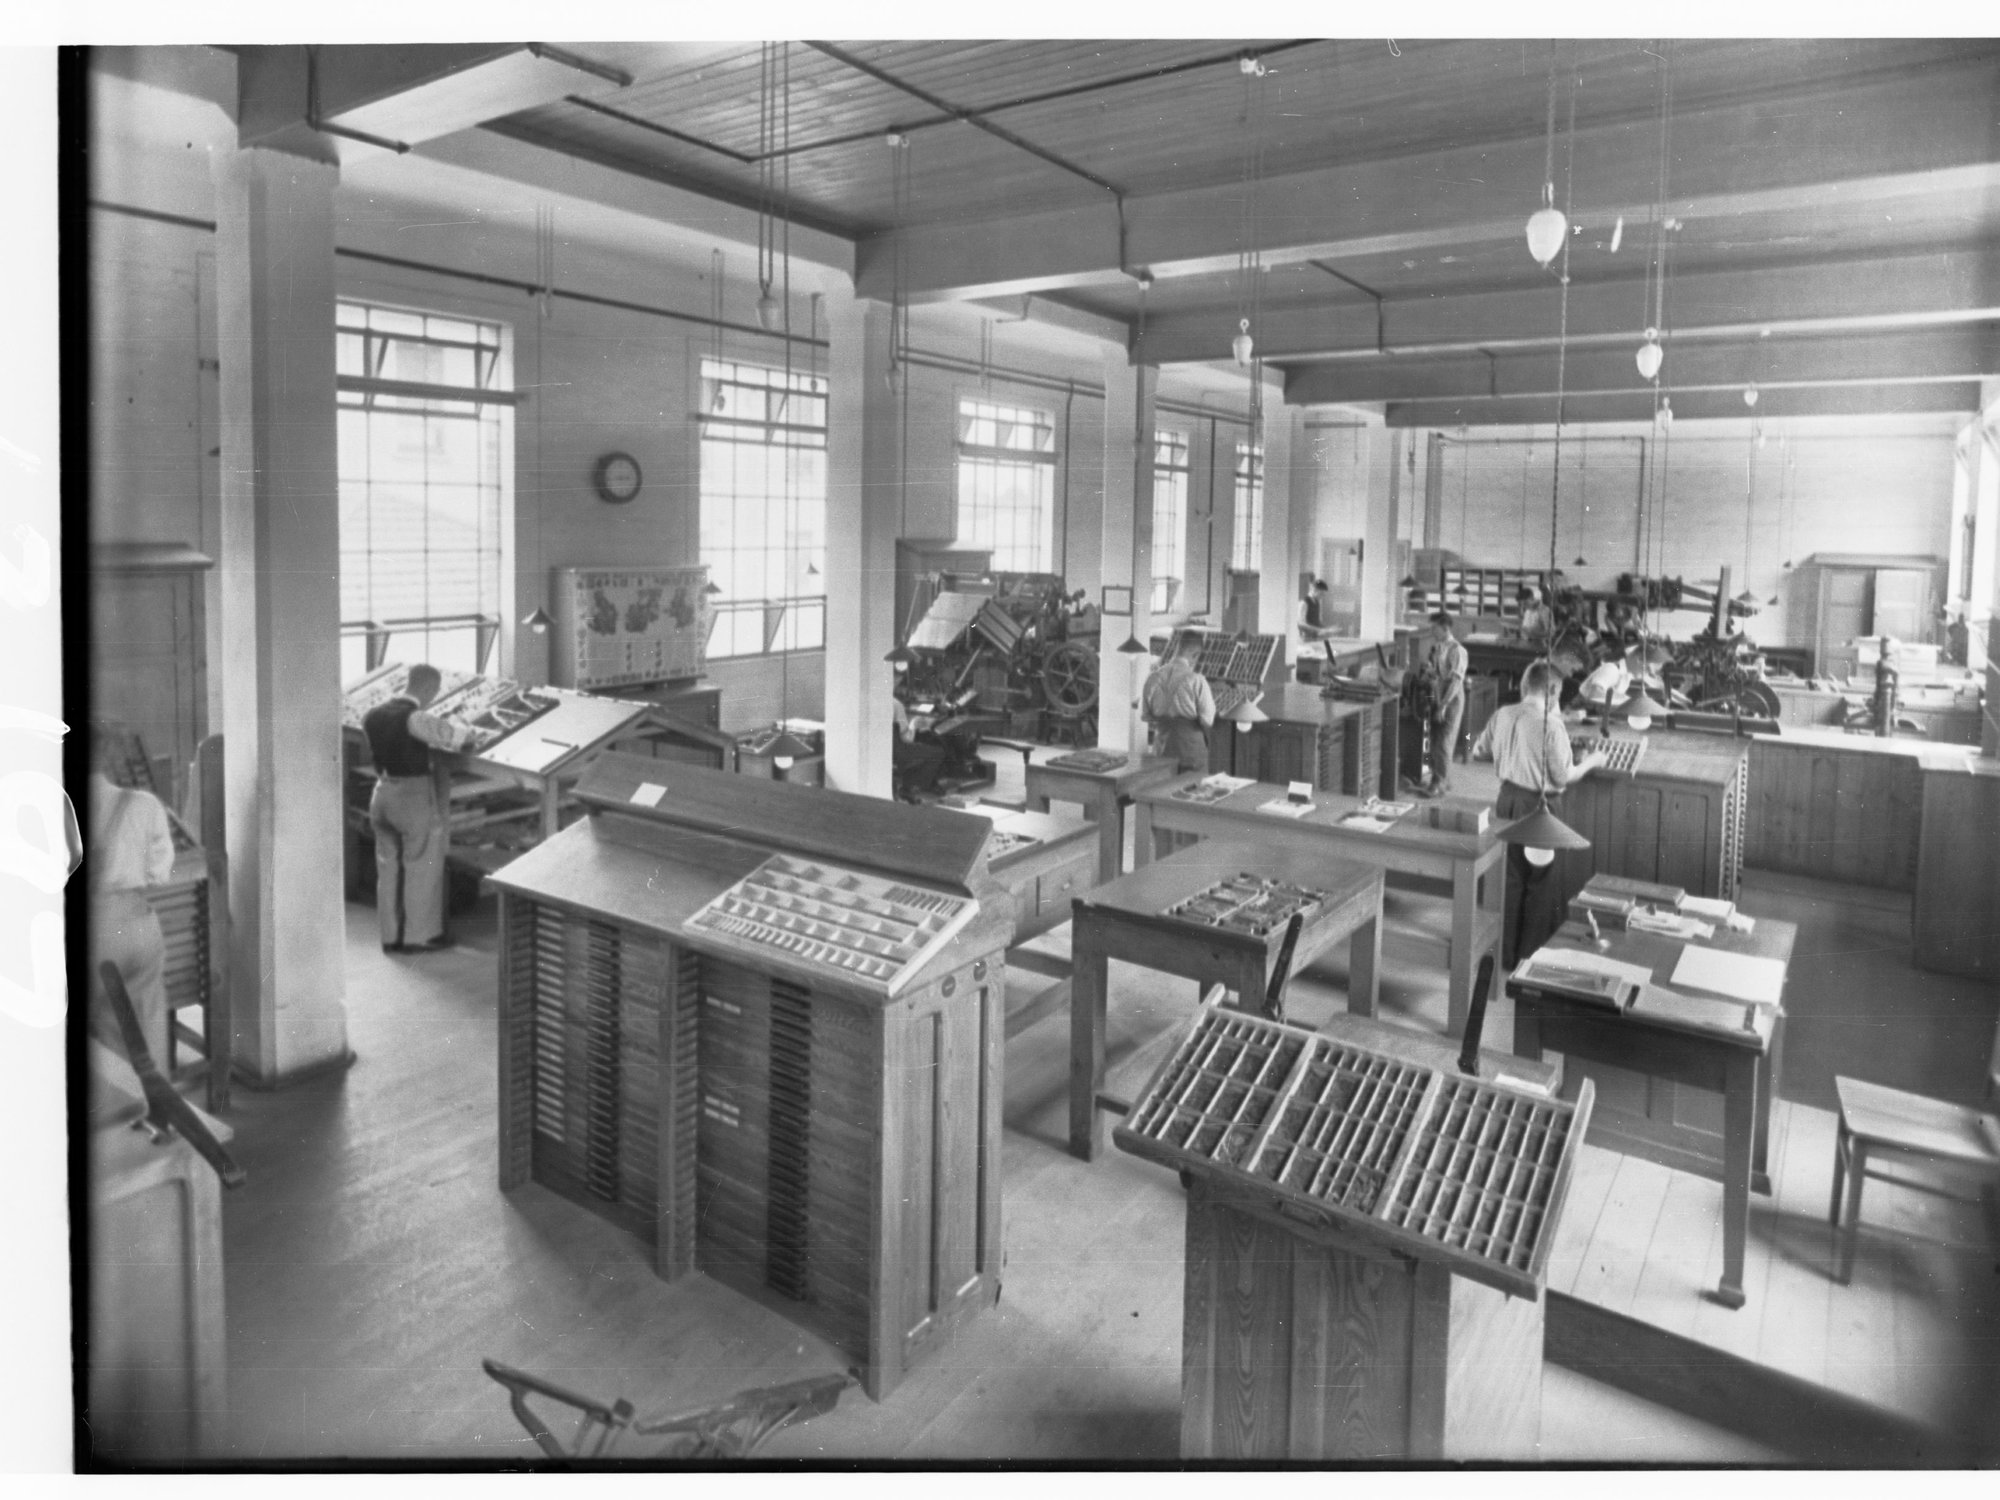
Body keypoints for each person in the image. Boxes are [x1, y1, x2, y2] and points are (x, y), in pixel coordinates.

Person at [1473, 661, 1609, 965]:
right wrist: (1593, 761)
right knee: (1541, 881)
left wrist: (1514, 756)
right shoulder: (1552, 724)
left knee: (1511, 878)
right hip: (1539, 808)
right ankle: (1529, 957)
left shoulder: (1502, 713)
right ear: (1553, 690)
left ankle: (1505, 954)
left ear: (1525, 686)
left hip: (1506, 800)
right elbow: (1563, 776)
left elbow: (1478, 751)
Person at [362, 663, 473, 954]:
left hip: (381, 793)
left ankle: (390, 936)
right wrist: (466, 728)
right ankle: (418, 937)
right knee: (422, 864)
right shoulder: (416, 718)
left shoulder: (372, 715)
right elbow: (457, 737)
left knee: (388, 868)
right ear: (428, 687)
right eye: (434, 691)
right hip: (411, 798)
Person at [86, 723, 177, 1066]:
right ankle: (154, 1095)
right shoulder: (144, 804)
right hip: (139, 925)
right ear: (108, 754)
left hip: (96, 931)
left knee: (105, 1041)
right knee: (148, 1028)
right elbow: (159, 873)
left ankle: (118, 1099)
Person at [1143, 634, 1217, 772]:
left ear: (1177, 648)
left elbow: (1147, 716)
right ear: (1195, 655)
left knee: (1162, 785)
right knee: (1193, 786)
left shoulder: (1152, 679)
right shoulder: (1196, 680)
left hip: (1162, 751)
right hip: (1190, 752)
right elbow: (1207, 720)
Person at [1414, 608, 1468, 795]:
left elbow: (1455, 682)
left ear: (1445, 628)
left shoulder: (1457, 650)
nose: (1431, 632)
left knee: (1444, 741)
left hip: (1451, 699)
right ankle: (1442, 779)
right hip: (1439, 695)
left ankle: (1438, 784)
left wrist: (1443, 706)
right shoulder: (1439, 647)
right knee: (1436, 739)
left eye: (1434, 628)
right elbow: (1437, 672)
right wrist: (1430, 672)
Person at [891, 696, 945, 801]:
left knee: (921, 746)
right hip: (897, 750)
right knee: (938, 752)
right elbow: (907, 738)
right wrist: (913, 724)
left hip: (881, 749)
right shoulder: (896, 704)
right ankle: (910, 786)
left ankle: (908, 783)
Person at [1298, 578, 1338, 642]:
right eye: (1321, 593)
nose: (1323, 596)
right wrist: (1321, 630)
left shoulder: (1317, 603)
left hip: (1314, 638)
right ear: (1314, 590)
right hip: (1305, 639)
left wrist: (1328, 629)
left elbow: (1317, 622)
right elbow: (1301, 624)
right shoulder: (1304, 603)